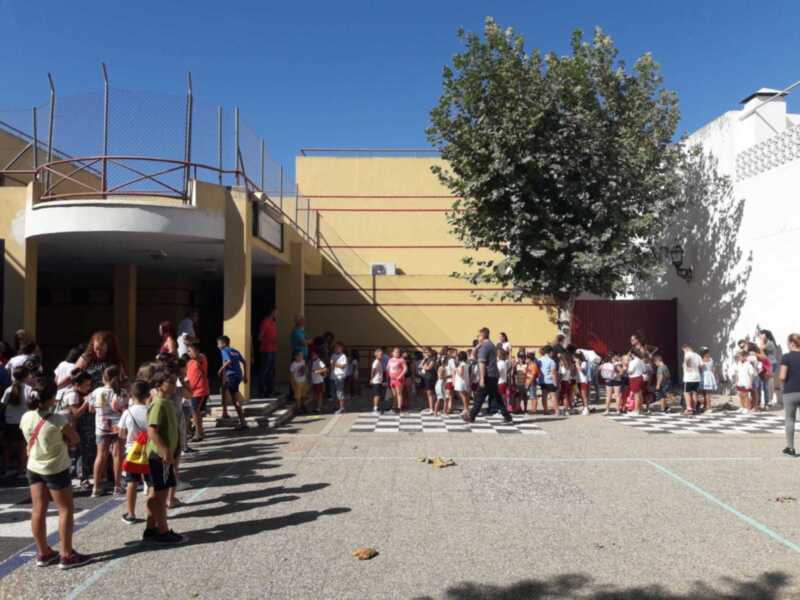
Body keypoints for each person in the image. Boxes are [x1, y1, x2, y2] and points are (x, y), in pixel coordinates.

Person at [21, 376, 90, 569]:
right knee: (65, 509)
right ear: (52, 398)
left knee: (38, 509)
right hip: (55, 468)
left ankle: (43, 552)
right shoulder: (58, 420)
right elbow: (74, 439)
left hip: (34, 466)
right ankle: (67, 554)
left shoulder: (26, 417)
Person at [142, 368, 186, 545]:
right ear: (159, 385)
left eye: (175, 381)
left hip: (166, 456)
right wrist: (165, 451)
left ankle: (151, 528)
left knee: (159, 492)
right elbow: (152, 430)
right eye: (170, 381)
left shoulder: (167, 402)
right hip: (159, 457)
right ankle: (163, 531)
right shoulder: (159, 404)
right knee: (160, 495)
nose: (175, 384)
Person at [91, 365, 127, 497]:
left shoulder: (97, 392)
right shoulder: (122, 392)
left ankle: (95, 487)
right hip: (118, 426)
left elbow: (91, 409)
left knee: (100, 456)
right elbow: (125, 409)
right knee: (117, 456)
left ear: (104, 377)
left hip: (102, 427)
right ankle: (117, 487)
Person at [118, 380, 150, 524]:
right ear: (148, 395)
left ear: (132, 394)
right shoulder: (151, 410)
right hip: (149, 450)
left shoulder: (127, 412)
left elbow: (121, 434)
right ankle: (152, 513)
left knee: (132, 482)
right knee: (151, 483)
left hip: (132, 451)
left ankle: (130, 513)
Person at [465, 327, 513, 424]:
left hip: (487, 375)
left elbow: (482, 363)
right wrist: (477, 347)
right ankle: (507, 416)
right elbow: (473, 358)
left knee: (479, 396)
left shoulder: (485, 347)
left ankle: (471, 416)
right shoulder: (491, 345)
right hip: (493, 375)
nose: (477, 338)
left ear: (482, 336)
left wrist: (482, 378)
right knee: (497, 397)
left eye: (478, 336)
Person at [65, 370, 94, 491]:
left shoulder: (70, 392)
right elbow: (76, 413)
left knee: (76, 454)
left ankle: (77, 477)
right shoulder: (72, 394)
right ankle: (83, 479)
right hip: (70, 428)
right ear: (77, 384)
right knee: (81, 453)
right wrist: (87, 401)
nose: (88, 388)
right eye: (86, 385)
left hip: (70, 428)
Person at [1, 366, 32, 476]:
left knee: (8, 446)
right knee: (22, 447)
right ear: (26, 376)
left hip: (10, 421)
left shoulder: (8, 389)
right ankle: (21, 470)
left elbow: (3, 405)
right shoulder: (29, 389)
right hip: (24, 421)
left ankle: (4, 468)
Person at [216, 336, 248, 430]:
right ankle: (225, 412)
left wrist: (220, 369)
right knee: (223, 388)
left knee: (235, 400)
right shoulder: (235, 350)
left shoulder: (224, 351)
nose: (217, 346)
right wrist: (245, 375)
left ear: (224, 344)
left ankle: (243, 422)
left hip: (232, 376)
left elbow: (228, 361)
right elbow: (244, 362)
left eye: (219, 343)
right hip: (238, 375)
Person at [779, 333, 800, 457]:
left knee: (790, 419)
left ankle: (791, 448)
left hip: (790, 391)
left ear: (792, 343)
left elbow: (782, 376)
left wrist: (781, 385)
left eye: (787, 342)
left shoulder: (786, 357)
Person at [186, 342, 210, 442]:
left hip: (200, 390)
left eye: (190, 351)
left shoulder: (201, 359)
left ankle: (198, 433)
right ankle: (198, 431)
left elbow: (199, 358)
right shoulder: (190, 362)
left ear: (196, 351)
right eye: (188, 351)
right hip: (191, 390)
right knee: (195, 412)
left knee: (195, 412)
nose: (188, 353)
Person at [258, 307, 277, 397]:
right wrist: (269, 340)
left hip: (273, 349)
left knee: (271, 371)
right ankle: (262, 390)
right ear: (272, 312)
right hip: (266, 350)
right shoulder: (265, 322)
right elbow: (260, 337)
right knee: (265, 370)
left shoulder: (273, 323)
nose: (277, 314)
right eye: (276, 312)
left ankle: (270, 390)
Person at [682, 344, 702, 415]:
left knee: (686, 393)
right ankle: (694, 408)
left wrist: (688, 368)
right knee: (694, 393)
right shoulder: (697, 355)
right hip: (697, 377)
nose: (683, 352)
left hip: (689, 377)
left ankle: (688, 409)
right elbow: (701, 365)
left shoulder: (687, 354)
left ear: (686, 349)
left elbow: (688, 363)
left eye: (683, 351)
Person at [538, 346, 559, 415]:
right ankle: (556, 411)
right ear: (549, 352)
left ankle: (545, 411)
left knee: (544, 396)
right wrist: (555, 383)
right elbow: (553, 373)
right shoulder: (551, 361)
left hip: (542, 381)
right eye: (552, 352)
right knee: (553, 396)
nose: (552, 353)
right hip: (549, 381)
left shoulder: (539, 360)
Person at [386, 348, 407, 413]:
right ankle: (394, 407)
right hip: (392, 379)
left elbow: (405, 368)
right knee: (394, 394)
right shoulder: (390, 360)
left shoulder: (401, 360)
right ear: (392, 353)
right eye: (395, 352)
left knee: (399, 394)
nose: (397, 353)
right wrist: (387, 377)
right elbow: (387, 368)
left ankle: (399, 408)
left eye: (398, 352)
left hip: (399, 379)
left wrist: (400, 375)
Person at [330, 342, 348, 414]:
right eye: (335, 347)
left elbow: (343, 366)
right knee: (333, 393)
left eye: (338, 347)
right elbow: (331, 365)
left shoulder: (343, 356)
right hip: (333, 376)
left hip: (339, 376)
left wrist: (334, 364)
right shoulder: (333, 355)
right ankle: (336, 406)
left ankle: (342, 407)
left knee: (339, 392)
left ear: (341, 349)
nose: (336, 349)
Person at [627, 349, 645, 416]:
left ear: (632, 354)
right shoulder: (641, 361)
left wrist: (626, 368)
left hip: (634, 378)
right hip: (640, 377)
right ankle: (641, 409)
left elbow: (630, 371)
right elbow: (644, 370)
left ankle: (636, 410)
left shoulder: (633, 362)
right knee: (640, 394)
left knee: (636, 395)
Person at [420, 348, 437, 415]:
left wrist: (424, 367)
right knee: (428, 393)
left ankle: (432, 408)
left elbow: (429, 367)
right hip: (425, 377)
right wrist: (424, 360)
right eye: (424, 352)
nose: (426, 353)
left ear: (431, 352)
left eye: (427, 352)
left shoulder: (433, 359)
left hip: (430, 378)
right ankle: (430, 407)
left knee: (431, 393)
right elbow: (420, 365)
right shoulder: (426, 359)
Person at [453, 350, 471, 416]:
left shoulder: (462, 364)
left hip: (461, 381)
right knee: (465, 396)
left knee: (463, 396)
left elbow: (461, 374)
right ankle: (466, 409)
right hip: (464, 381)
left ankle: (466, 409)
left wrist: (456, 369)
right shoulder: (464, 363)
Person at [310, 348, 328, 413]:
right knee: (315, 395)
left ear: (317, 355)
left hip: (319, 381)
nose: (312, 355)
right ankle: (316, 407)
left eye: (314, 354)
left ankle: (319, 407)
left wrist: (317, 371)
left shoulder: (319, 361)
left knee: (319, 395)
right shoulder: (312, 362)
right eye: (312, 354)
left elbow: (325, 369)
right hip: (314, 381)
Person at [369, 348, 385, 414]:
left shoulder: (379, 362)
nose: (382, 355)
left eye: (382, 354)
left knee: (378, 395)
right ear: (376, 354)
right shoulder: (376, 362)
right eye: (380, 354)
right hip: (376, 381)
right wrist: (371, 379)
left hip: (379, 381)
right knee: (377, 395)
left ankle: (377, 408)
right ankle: (375, 409)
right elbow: (373, 370)